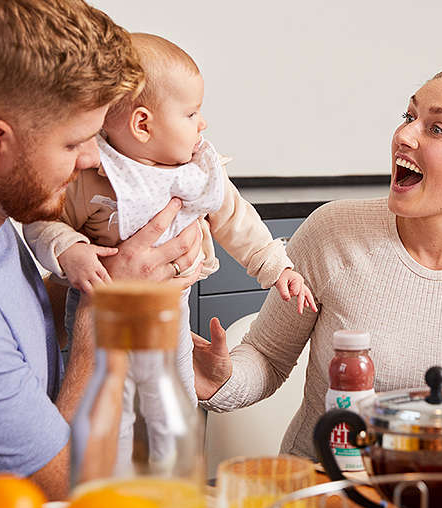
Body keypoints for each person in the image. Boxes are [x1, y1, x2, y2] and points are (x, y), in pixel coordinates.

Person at [193, 64, 442, 458]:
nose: (404, 135)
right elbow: (267, 357)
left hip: (441, 492)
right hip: (319, 490)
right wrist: (220, 381)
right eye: (409, 116)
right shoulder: (333, 231)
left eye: (437, 128)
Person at [23, 34, 314, 459]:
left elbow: (236, 219)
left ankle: (168, 481)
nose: (203, 124)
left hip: (171, 309)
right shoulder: (94, 173)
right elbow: (44, 223)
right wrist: (70, 250)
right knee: (110, 408)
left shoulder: (198, 171)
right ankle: (112, 482)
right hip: (101, 310)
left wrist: (277, 268)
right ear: (143, 125)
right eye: (192, 113)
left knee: (173, 404)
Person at [0, 0, 202, 498]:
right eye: (75, 143)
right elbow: (59, 486)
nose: (93, 159)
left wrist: (95, 279)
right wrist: (108, 306)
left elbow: (10, 331)